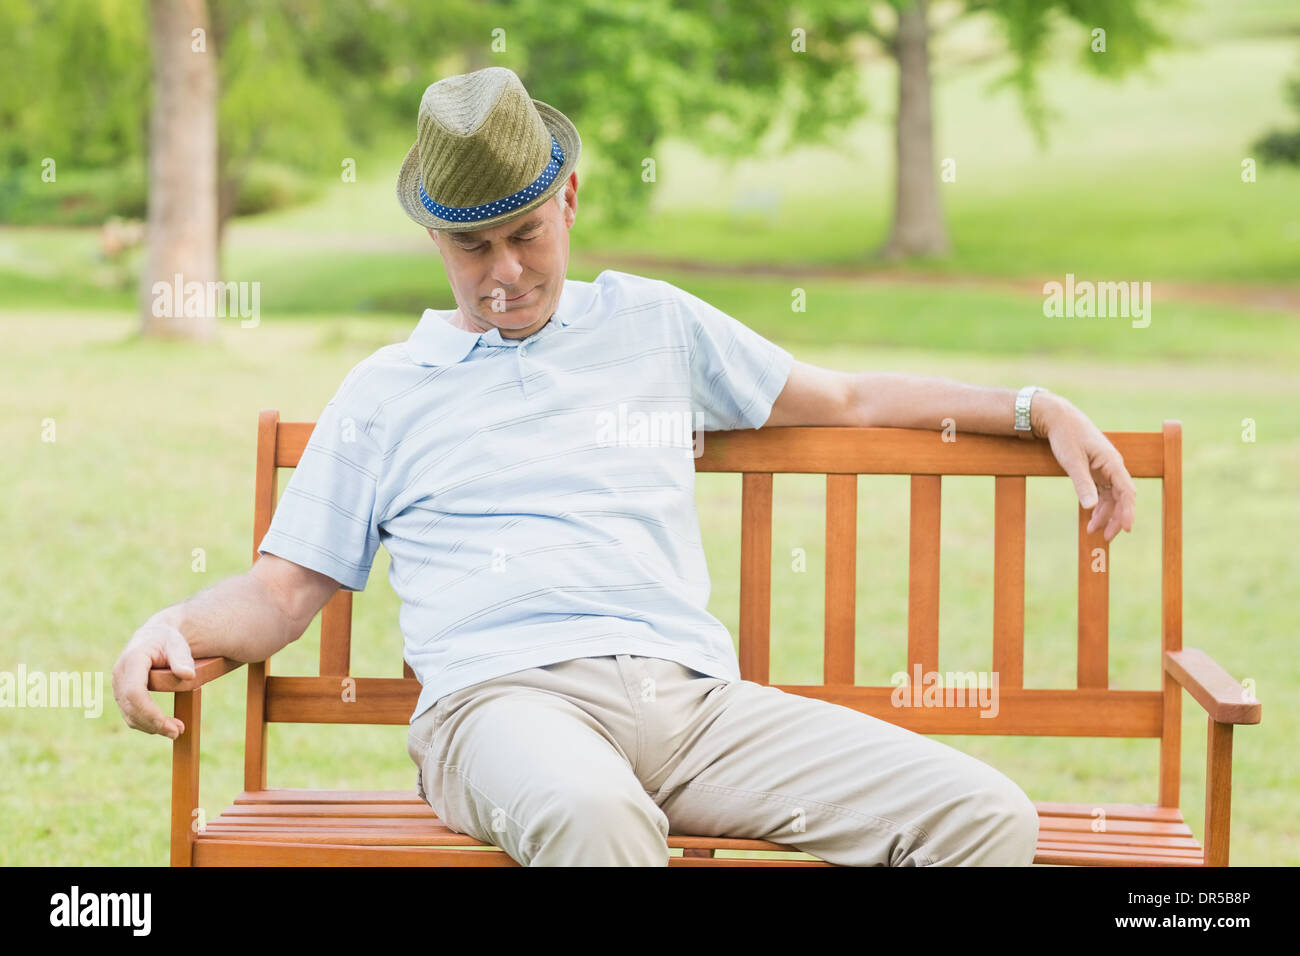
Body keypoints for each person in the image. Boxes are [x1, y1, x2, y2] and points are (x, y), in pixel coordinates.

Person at [112, 67, 1137, 867]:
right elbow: (281, 592)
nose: (504, 274)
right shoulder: (387, 389)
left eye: (524, 235)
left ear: (569, 198)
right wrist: (175, 625)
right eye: (473, 249)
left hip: (692, 706)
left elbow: (848, 400)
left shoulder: (654, 325)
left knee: (983, 816)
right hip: (499, 709)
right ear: (433, 236)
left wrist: (1030, 408)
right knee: (595, 813)